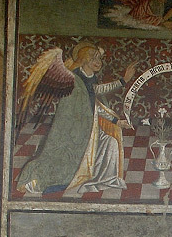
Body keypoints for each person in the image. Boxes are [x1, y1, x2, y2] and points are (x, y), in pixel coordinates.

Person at [17, 43, 137, 195]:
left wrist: (116, 120)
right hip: (73, 133)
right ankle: (39, 180)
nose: (98, 62)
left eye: (99, 58)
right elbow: (73, 109)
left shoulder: (89, 79)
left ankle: (102, 179)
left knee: (111, 142)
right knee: (58, 161)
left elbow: (94, 101)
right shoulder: (74, 80)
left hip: (88, 130)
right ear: (84, 59)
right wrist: (122, 82)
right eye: (94, 58)